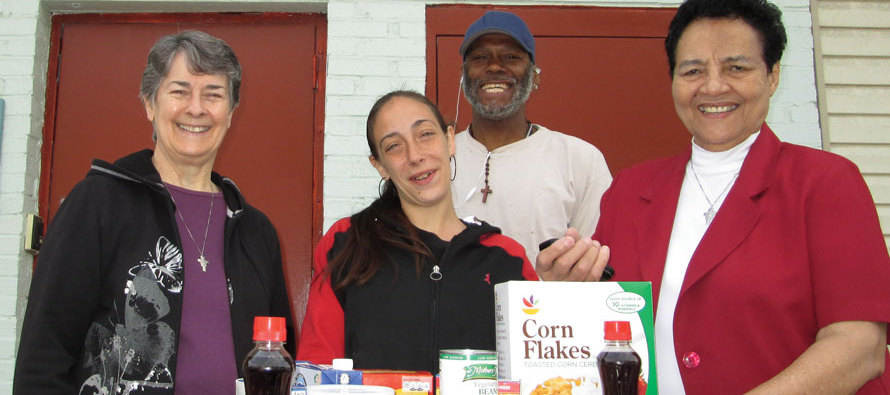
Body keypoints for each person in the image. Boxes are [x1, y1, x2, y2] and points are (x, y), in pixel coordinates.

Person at [592, 0, 890, 393]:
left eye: (736, 67)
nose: (713, 86)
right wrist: (562, 289)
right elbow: (602, 324)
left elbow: (860, 346)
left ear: (772, 76)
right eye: (693, 70)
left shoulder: (825, 183)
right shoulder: (629, 191)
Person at [13, 31, 293, 395]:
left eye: (213, 94)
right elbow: (43, 357)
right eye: (179, 91)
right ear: (150, 103)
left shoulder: (255, 230)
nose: (196, 108)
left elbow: (282, 359)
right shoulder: (97, 204)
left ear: (231, 112)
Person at [297, 90, 538, 373]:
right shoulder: (348, 243)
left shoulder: (505, 257)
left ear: (450, 140)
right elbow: (316, 371)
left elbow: (535, 373)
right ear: (379, 166)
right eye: (393, 146)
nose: (415, 155)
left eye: (425, 134)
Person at [450, 10, 613, 273]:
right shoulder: (439, 159)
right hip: (453, 312)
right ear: (463, 75)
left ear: (535, 75)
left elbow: (596, 264)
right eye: (480, 57)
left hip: (544, 312)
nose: (494, 66)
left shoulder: (580, 159)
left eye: (511, 57)